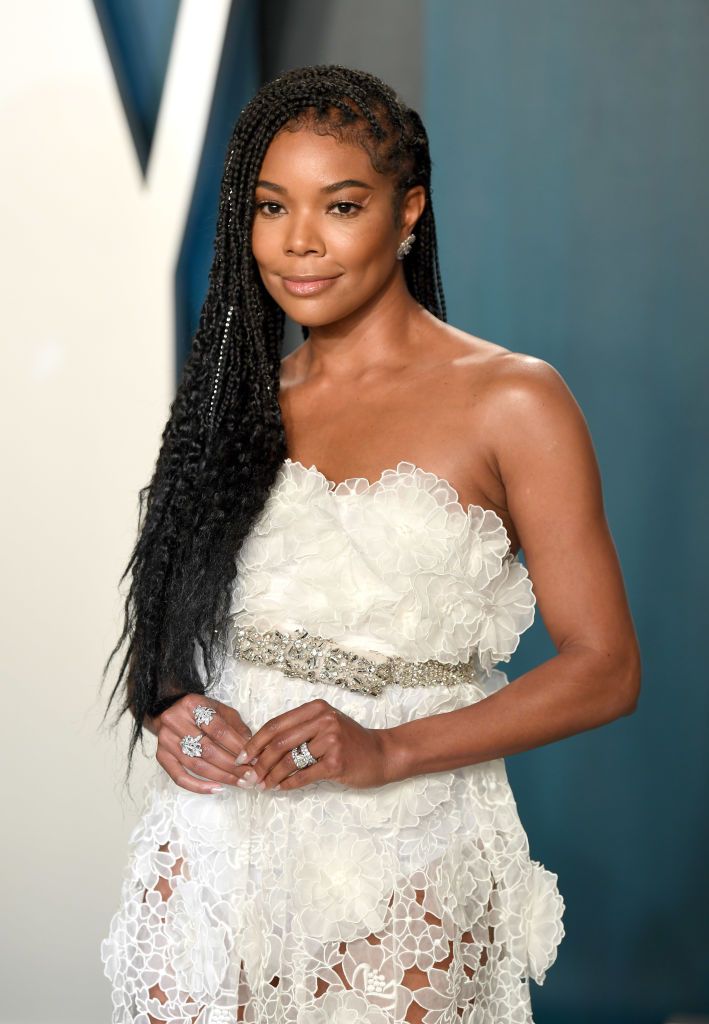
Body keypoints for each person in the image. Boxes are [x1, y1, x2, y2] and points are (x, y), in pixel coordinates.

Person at [100, 64, 641, 1024]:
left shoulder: (512, 399)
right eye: (272, 207)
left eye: (340, 205)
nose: (299, 241)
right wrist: (170, 704)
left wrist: (387, 751)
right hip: (216, 848)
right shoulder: (238, 401)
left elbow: (603, 669)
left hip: (408, 849)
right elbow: (180, 619)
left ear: (408, 213)